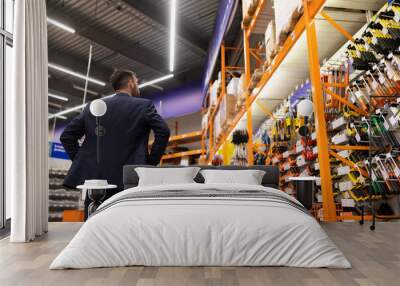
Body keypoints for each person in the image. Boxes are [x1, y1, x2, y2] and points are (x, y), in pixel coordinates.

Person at [60, 70, 170, 219]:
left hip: (97, 184)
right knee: (128, 230)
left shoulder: (93, 107)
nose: (137, 86)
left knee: (93, 228)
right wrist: (150, 163)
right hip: (130, 181)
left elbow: (67, 136)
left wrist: (86, 162)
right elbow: (163, 131)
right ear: (131, 83)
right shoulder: (143, 106)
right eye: (136, 82)